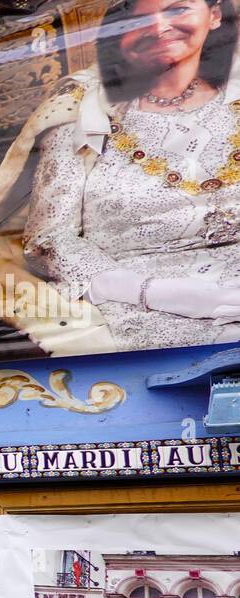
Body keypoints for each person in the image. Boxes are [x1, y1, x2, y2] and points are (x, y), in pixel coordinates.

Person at [16, 0, 240, 350]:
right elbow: (49, 239)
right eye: (135, 20)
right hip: (140, 311)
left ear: (214, 16)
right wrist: (150, 291)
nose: (157, 27)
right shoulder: (81, 123)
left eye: (177, 9)